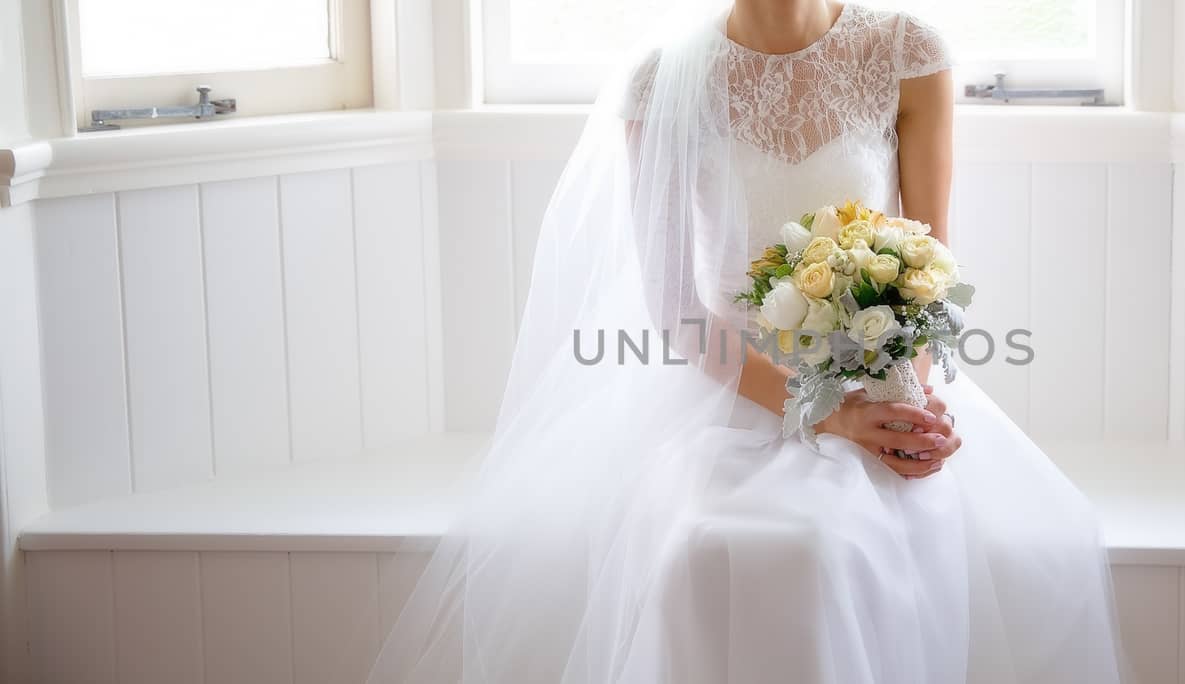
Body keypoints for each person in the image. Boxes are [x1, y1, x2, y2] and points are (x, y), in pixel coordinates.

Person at [367, 2, 1125, 682]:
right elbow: (676, 307)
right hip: (728, 395)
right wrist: (821, 413)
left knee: (838, 548)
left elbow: (931, 267)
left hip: (877, 377)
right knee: (705, 552)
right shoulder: (664, 82)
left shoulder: (903, 51)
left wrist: (902, 401)